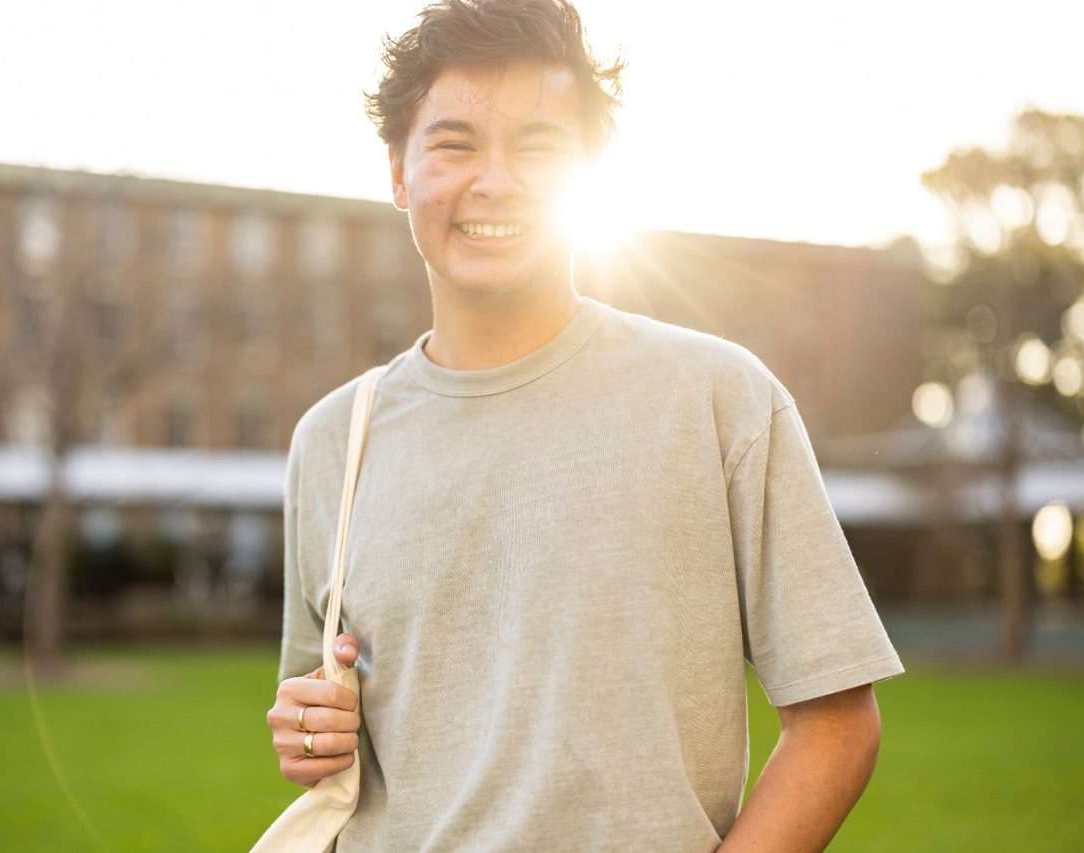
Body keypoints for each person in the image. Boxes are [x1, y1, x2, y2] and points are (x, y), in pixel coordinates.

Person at [265, 1, 904, 849]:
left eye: (539, 149)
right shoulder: (333, 440)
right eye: (454, 144)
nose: (495, 181)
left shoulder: (720, 397)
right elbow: (316, 723)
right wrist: (310, 729)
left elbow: (837, 721)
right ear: (397, 171)